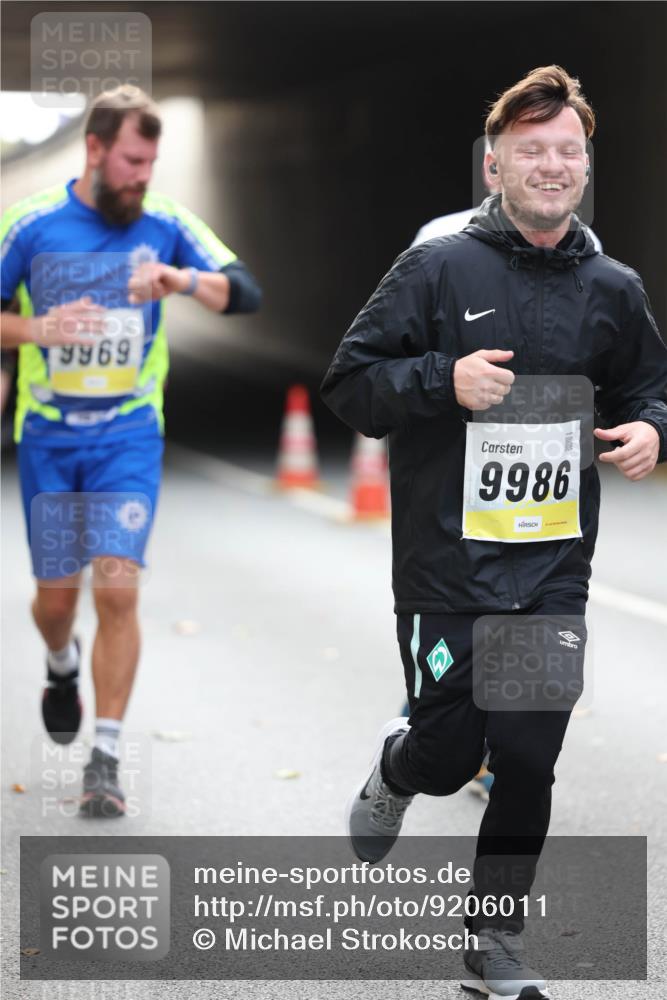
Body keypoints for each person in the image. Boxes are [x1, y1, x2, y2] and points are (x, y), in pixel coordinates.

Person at [322, 65, 667, 1000]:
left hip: (550, 569)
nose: (552, 166)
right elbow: (350, 385)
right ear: (493, 166)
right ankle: (399, 765)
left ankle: (491, 940)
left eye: (568, 151)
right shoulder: (437, 268)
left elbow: (647, 386)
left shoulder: (612, 286)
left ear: (585, 166)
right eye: (531, 151)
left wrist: (651, 429)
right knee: (447, 759)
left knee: (524, 755)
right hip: (444, 568)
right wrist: (441, 379)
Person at [0, 85, 261, 818]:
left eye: (151, 162)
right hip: (49, 438)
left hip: (127, 435)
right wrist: (40, 330)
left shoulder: (165, 223)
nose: (143, 176)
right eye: (131, 161)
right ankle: (61, 665)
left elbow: (244, 290)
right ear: (94, 150)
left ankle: (105, 757)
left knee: (116, 587)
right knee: (56, 603)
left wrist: (181, 279)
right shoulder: (31, 224)